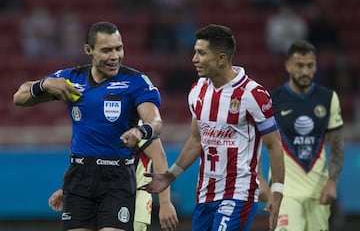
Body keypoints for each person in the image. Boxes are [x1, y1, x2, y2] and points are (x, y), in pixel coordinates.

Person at [13, 21, 173, 231]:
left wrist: (139, 131)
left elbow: (156, 122)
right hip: (79, 176)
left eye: (119, 48)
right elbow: (19, 97)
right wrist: (43, 84)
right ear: (88, 50)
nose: (115, 56)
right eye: (107, 50)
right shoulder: (72, 81)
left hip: (117, 178)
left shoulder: (135, 82)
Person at [139, 24, 285, 231]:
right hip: (205, 193)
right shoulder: (197, 91)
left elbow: (274, 145)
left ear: (221, 58)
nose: (194, 59)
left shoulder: (253, 94)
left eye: (201, 53)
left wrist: (277, 191)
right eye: (194, 52)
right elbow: (197, 140)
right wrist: (170, 176)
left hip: (239, 193)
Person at [267, 40, 344, 231]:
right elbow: (252, 142)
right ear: (288, 66)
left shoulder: (328, 99)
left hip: (318, 192)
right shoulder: (273, 100)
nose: (305, 71)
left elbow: (337, 144)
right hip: (285, 192)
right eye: (299, 65)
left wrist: (332, 182)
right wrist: (260, 179)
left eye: (310, 66)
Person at [48, 137, 178, 231]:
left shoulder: (138, 123)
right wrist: (70, 190)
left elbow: (159, 157)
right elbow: (92, 164)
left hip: (133, 205)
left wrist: (165, 202)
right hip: (101, 202)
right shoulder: (101, 125)